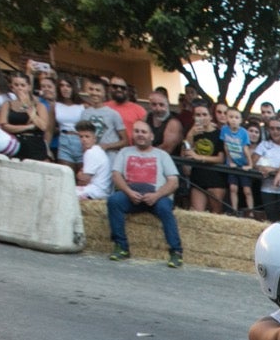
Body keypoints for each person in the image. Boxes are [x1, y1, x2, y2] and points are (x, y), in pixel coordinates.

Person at [106, 118, 182, 267]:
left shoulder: (162, 155)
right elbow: (116, 175)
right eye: (137, 131)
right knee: (114, 201)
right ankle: (121, 247)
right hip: (131, 195)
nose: (140, 134)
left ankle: (176, 252)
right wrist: (128, 192)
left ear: (151, 136)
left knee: (165, 209)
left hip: (157, 196)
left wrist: (156, 195)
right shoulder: (124, 152)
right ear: (133, 134)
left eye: (144, 132)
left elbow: (174, 182)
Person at [180, 102, 227, 212]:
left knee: (216, 215)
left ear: (210, 117)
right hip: (198, 177)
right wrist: (190, 135)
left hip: (215, 178)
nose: (201, 118)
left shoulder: (219, 133)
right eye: (198, 115)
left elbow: (221, 158)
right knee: (197, 214)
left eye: (204, 114)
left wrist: (199, 157)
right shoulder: (191, 132)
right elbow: (184, 155)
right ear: (193, 117)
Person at [0, 69, 50, 161]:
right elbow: (4, 125)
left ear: (28, 87)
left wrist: (27, 106)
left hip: (35, 145)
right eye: (16, 85)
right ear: (12, 87)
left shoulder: (39, 106)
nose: (19, 88)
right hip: (15, 144)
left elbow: (43, 126)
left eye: (22, 85)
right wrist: (28, 127)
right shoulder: (7, 104)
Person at [218, 106, 252, 214]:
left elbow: (246, 149)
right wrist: (230, 161)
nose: (233, 120)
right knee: (233, 188)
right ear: (227, 118)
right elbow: (225, 146)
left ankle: (251, 212)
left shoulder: (244, 132)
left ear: (241, 120)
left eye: (236, 117)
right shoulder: (224, 130)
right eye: (231, 117)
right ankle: (234, 210)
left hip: (243, 163)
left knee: (247, 190)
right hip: (232, 162)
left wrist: (250, 164)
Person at [74, 120, 111, 199]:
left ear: (94, 139)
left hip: (96, 191)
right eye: (81, 137)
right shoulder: (97, 150)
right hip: (101, 190)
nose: (84, 139)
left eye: (87, 136)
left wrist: (78, 175)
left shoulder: (91, 152)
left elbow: (84, 181)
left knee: (66, 193)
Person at [52, 77, 84, 165]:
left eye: (68, 86)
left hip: (80, 140)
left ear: (73, 88)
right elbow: (49, 129)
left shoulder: (83, 106)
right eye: (62, 86)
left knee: (81, 172)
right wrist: (46, 148)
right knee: (66, 171)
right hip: (64, 139)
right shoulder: (55, 106)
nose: (65, 88)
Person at [104, 75, 145, 140]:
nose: (119, 89)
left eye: (122, 87)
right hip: (107, 146)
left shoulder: (139, 110)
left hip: (131, 146)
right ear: (109, 88)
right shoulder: (103, 107)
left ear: (127, 90)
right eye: (115, 86)